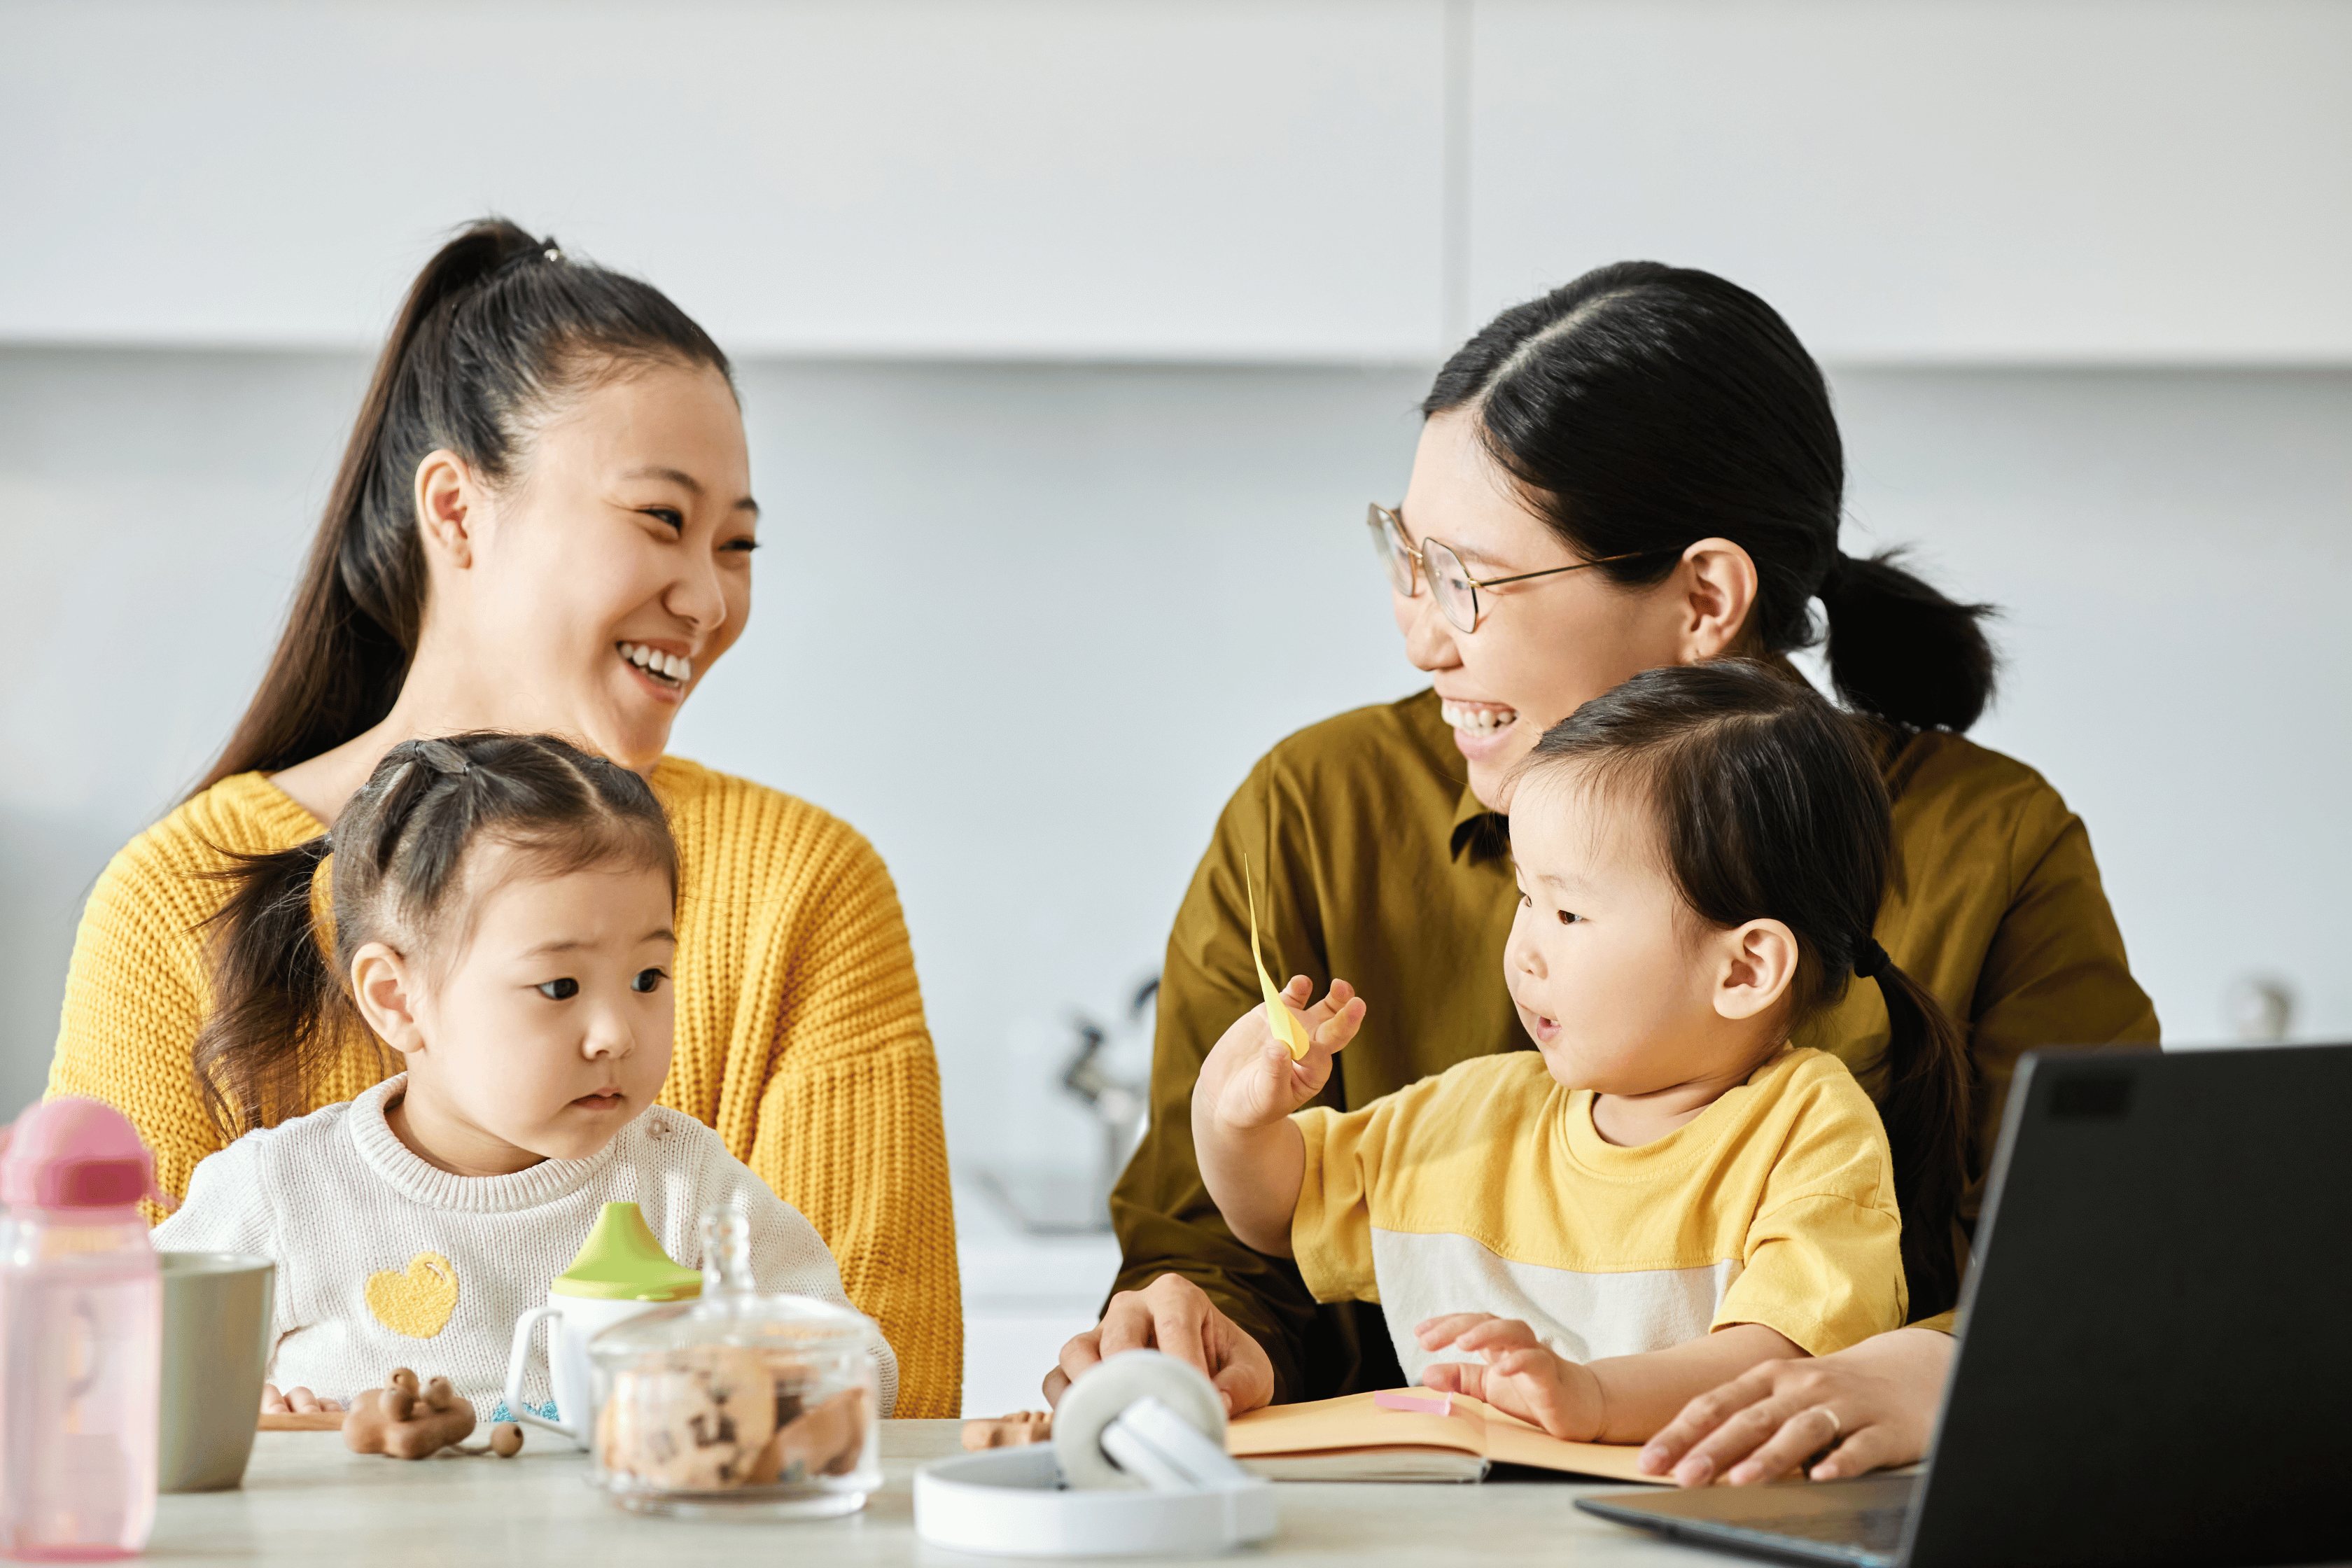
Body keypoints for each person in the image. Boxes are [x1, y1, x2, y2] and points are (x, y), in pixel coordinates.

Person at [1054, 261, 2157, 1481]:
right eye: (1408, 560)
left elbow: (2102, 1286)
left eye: (1468, 579)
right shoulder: (1315, 810)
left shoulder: (1992, 846)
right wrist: (1206, 1341)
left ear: (1704, 597)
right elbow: (1222, 1250)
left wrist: (1938, 1367)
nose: (1420, 635)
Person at [47, 220, 958, 1415]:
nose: (711, 596)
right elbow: (94, 1385)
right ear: (458, 511)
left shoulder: (804, 885)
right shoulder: (183, 896)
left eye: (737, 544)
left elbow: (885, 1396)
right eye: (661, 520)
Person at [1193, 663, 1958, 1443]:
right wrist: (1236, 1118)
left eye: (1567, 910)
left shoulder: (1810, 1130)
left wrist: (1590, 1395)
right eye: (1525, 897)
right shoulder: (1471, 1113)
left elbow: (1772, 1363)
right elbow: (1275, 1209)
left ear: (1743, 968)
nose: (1524, 949)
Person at [153, 733, 897, 1418]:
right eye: (560, 986)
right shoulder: (281, 1193)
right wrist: (259, 1419)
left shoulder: (685, 1183)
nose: (615, 1033)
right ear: (396, 997)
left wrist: (728, 1382)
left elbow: (859, 1366)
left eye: (647, 977)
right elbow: (124, 1368)